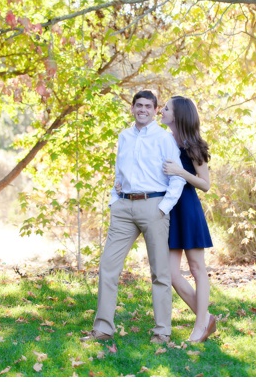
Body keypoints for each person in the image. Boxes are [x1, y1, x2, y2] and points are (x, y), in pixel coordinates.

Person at [82, 90, 186, 344]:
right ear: (132, 108)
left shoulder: (164, 138)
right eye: (138, 105)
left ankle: (162, 332)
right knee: (107, 267)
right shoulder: (124, 136)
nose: (142, 109)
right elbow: (119, 171)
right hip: (124, 209)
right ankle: (103, 328)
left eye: (148, 106)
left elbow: (178, 176)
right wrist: (114, 200)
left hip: (154, 206)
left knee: (160, 273)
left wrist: (163, 207)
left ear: (155, 110)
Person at [160, 96, 216, 343]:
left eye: (166, 108)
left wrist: (181, 172)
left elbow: (205, 185)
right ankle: (205, 318)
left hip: (188, 208)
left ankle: (199, 326)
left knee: (196, 268)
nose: (160, 110)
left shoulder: (194, 146)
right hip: (169, 209)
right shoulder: (162, 140)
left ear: (178, 115)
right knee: (171, 273)